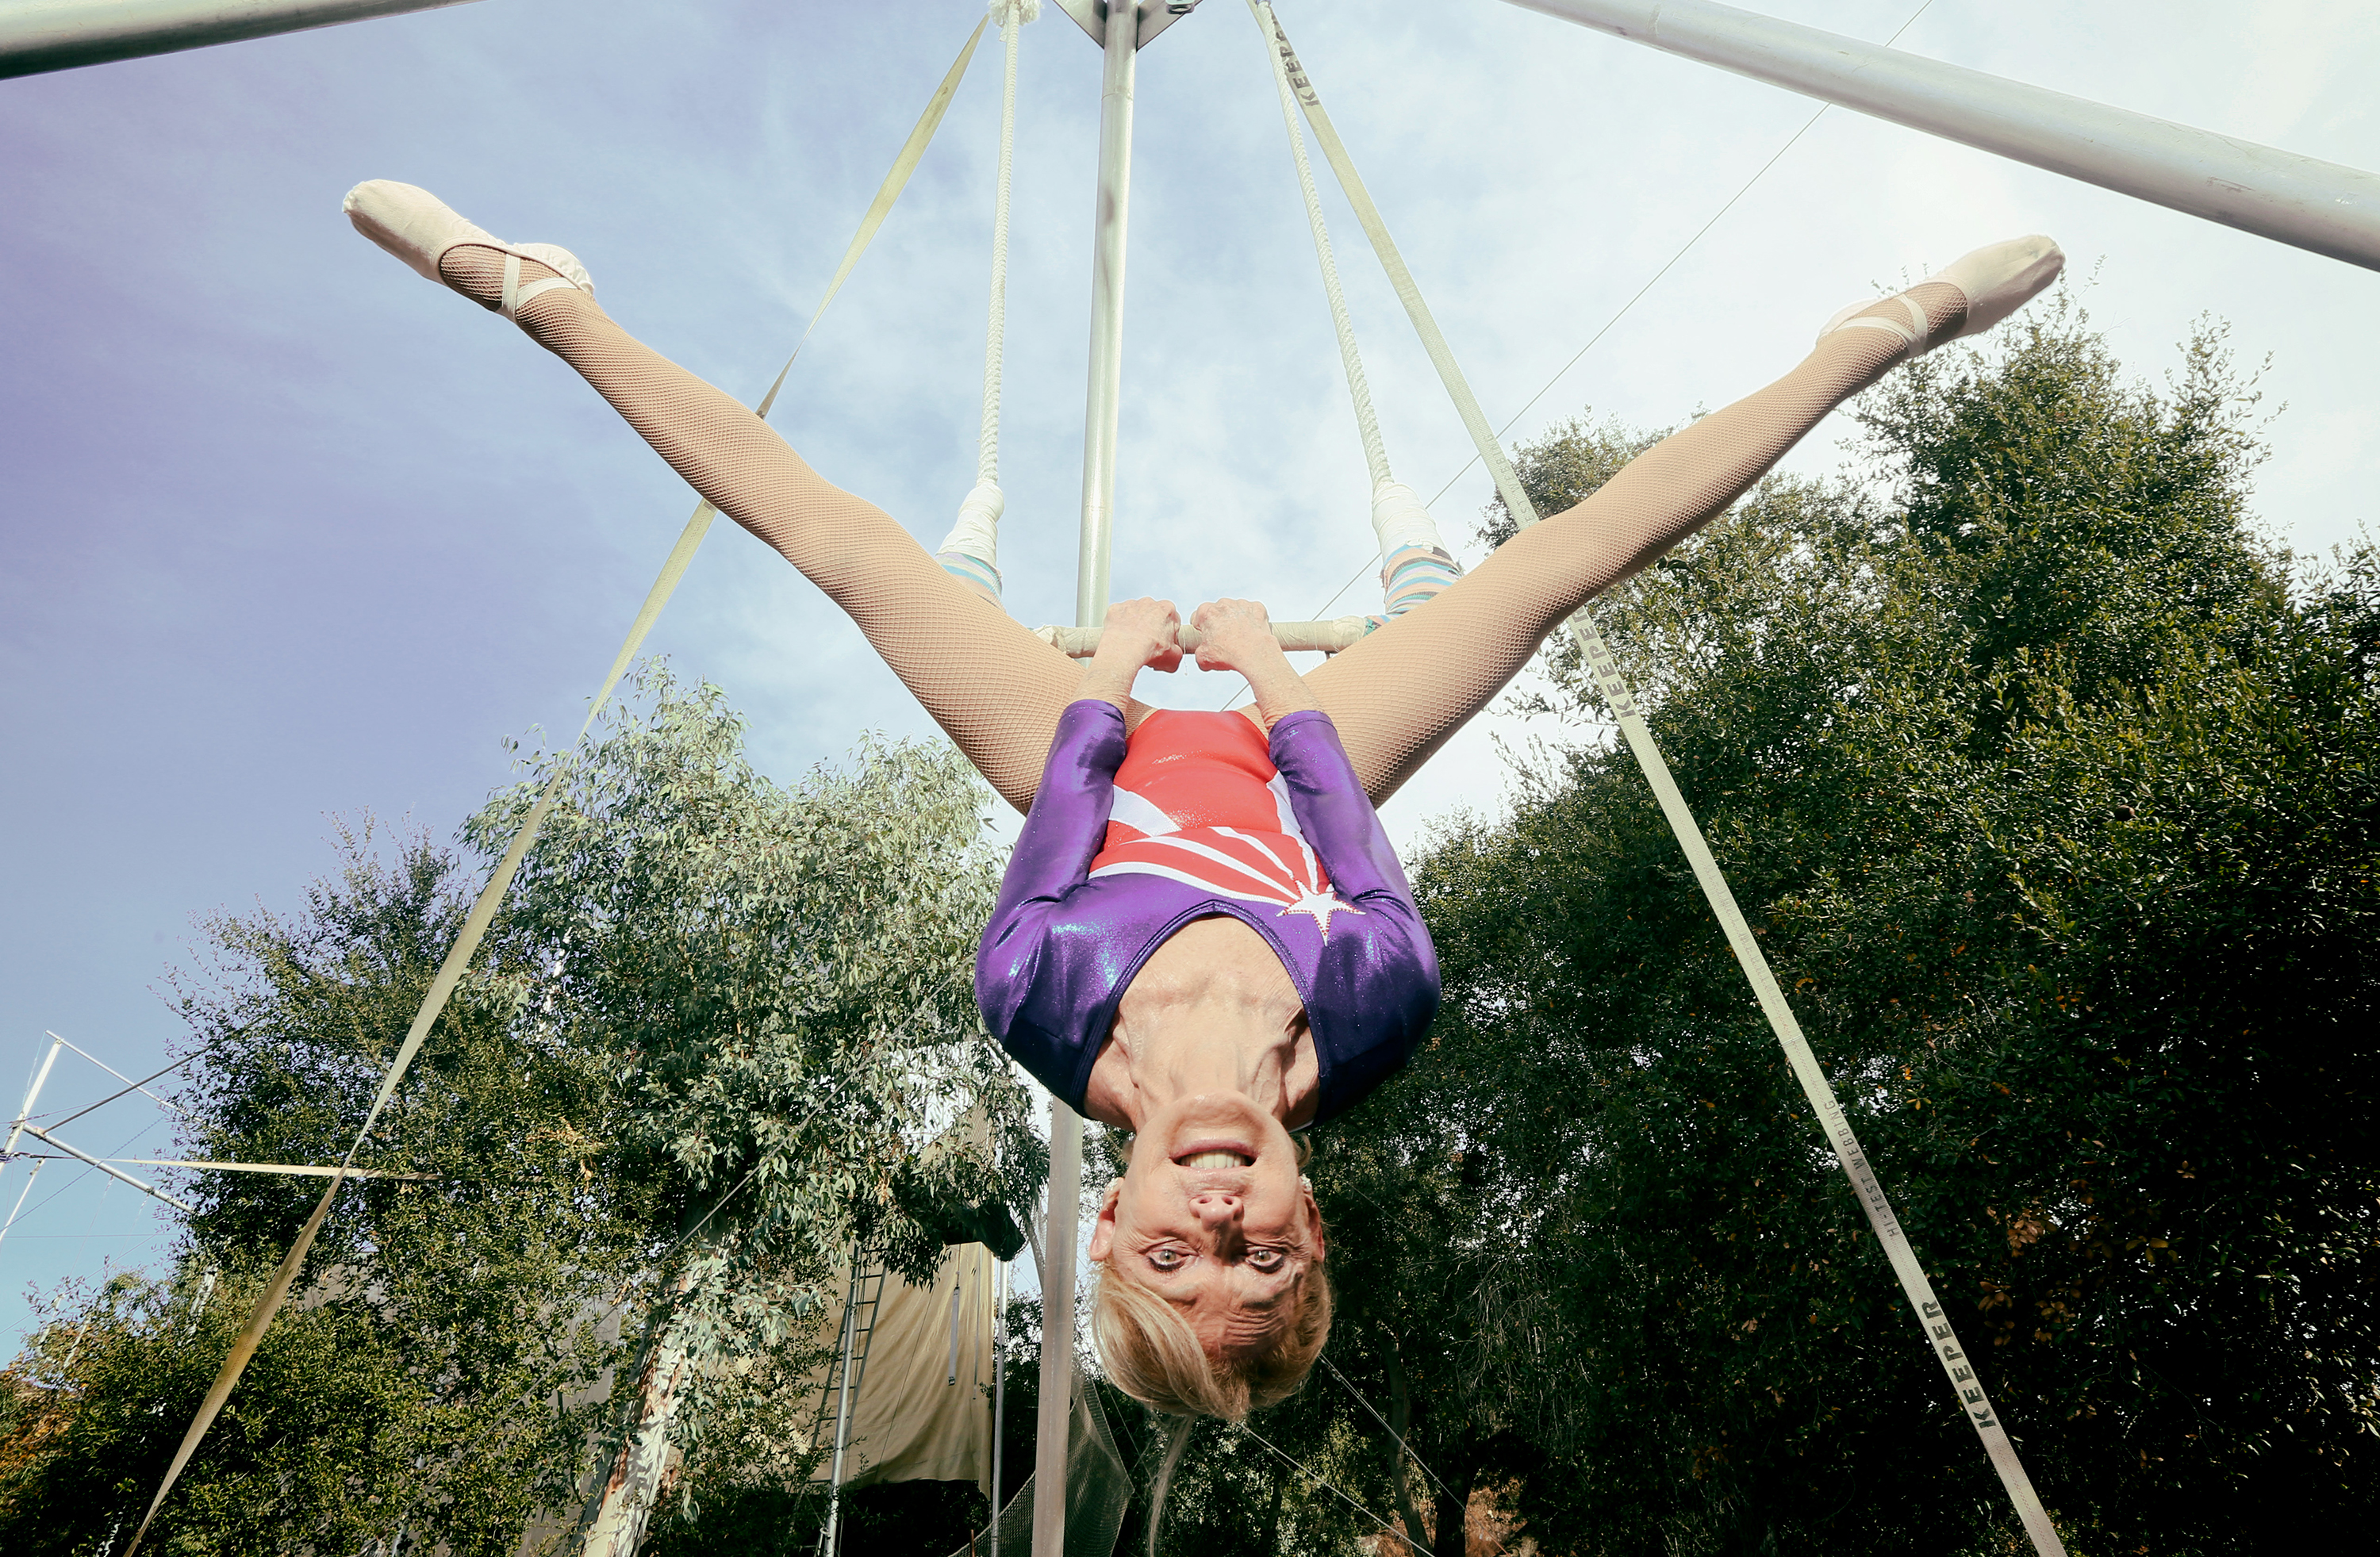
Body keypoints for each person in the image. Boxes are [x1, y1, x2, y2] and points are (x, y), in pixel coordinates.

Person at [343, 180, 2062, 1421]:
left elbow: (1064, 811)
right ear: (1316, 1224)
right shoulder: (1377, 1012)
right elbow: (1342, 818)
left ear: (1112, 1228)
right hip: (1293, 769)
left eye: (1176, 1264)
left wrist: (1107, 667)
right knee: (1555, 568)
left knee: (850, 552)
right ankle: (1872, 336)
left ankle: (551, 298)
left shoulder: (1037, 999)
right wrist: (1256, 662)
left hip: (1084, 763)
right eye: (1265, 1266)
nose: (1221, 1234)